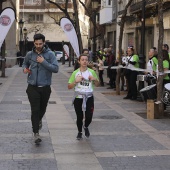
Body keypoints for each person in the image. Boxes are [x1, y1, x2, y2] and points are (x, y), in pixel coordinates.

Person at [22, 33, 59, 144]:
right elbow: (24, 64)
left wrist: (43, 62)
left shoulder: (50, 54)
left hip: (45, 87)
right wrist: (25, 70)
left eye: (40, 44)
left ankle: (38, 121)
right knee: (35, 110)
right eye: (36, 43)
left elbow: (56, 69)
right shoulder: (30, 54)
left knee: (42, 109)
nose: (38, 46)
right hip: (32, 87)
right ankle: (36, 133)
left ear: (44, 43)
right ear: (34, 43)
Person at [68, 54, 99, 140]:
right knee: (79, 116)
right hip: (78, 97)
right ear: (79, 61)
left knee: (89, 116)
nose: (84, 61)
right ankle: (79, 132)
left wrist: (94, 79)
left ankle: (86, 126)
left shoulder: (91, 72)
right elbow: (69, 86)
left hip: (89, 97)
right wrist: (75, 81)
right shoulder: (75, 73)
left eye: (86, 60)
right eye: (82, 60)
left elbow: (97, 84)